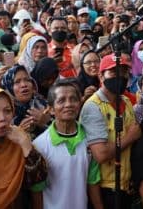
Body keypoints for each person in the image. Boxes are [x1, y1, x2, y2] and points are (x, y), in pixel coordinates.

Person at [79, 53, 142, 208]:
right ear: (101, 76)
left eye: (124, 72)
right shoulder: (93, 106)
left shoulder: (126, 101)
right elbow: (101, 154)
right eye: (114, 72)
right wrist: (130, 137)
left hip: (125, 184)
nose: (120, 76)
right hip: (104, 188)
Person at [32, 80, 103, 209]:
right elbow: (37, 190)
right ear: (51, 110)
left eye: (73, 99)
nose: (68, 104)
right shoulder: (39, 145)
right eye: (61, 101)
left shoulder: (90, 139)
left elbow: (92, 181)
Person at [0, 65, 51, 139]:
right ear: (9, 87)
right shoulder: (4, 112)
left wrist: (46, 122)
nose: (24, 85)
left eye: (27, 80)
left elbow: (64, 131)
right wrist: (19, 133)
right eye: (17, 82)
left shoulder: (43, 104)